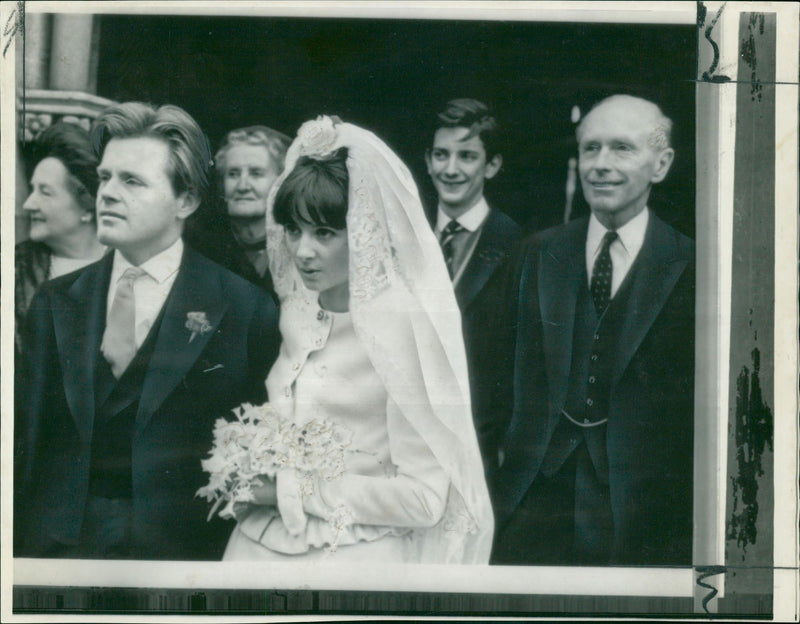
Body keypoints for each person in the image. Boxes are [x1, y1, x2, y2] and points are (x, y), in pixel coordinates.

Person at [15, 102, 281, 560]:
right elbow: (25, 441)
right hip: (59, 553)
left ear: (187, 200)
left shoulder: (245, 308)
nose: (108, 194)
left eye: (132, 181)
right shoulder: (57, 300)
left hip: (183, 559)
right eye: (105, 178)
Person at [223, 116, 493, 563]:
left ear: (365, 231)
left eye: (324, 233)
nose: (303, 251)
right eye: (293, 230)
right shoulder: (299, 308)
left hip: (356, 553)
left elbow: (425, 499)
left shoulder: (403, 327)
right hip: (261, 544)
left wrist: (295, 489)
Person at [486, 95, 695, 566]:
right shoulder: (534, 254)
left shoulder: (694, 265)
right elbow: (491, 380)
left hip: (641, 515)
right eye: (590, 149)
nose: (600, 165)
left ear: (660, 165)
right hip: (529, 502)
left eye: (621, 149)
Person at [424, 99, 521, 469]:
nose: (450, 169)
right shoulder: (404, 240)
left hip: (481, 455)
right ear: (427, 160)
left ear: (492, 165)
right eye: (441, 155)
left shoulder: (517, 247)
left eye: (466, 156)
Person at [15, 122, 107, 356]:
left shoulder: (130, 267)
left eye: (45, 192)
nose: (28, 204)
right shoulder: (14, 269)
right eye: (32, 189)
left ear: (87, 205)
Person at [193, 126, 291, 299]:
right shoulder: (201, 248)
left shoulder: (298, 248)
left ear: (280, 182)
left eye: (256, 173)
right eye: (233, 174)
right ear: (222, 183)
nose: (243, 186)